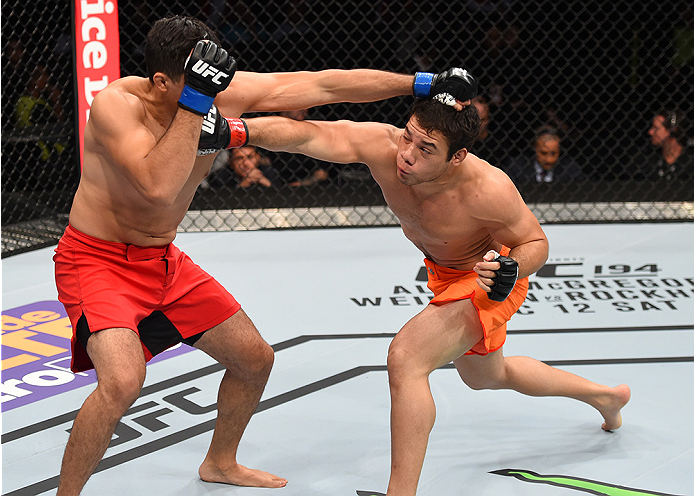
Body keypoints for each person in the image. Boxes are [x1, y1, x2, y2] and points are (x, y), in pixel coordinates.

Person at [51, 14, 474, 495]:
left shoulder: (210, 94)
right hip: (97, 259)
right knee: (123, 381)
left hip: (162, 260)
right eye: (196, 84)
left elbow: (320, 87)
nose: (211, 92)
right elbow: (157, 189)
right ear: (162, 81)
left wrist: (421, 84)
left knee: (254, 359)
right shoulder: (117, 106)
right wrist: (195, 103)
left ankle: (220, 462)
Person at [222, 79, 631, 496]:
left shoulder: (487, 188)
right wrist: (237, 131)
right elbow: (310, 135)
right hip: (444, 274)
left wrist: (511, 267)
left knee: (406, 357)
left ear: (458, 157)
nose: (407, 156)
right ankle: (605, 396)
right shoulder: (385, 147)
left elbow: (537, 243)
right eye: (408, 137)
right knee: (488, 376)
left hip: (488, 277)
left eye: (425, 150)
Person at [505, 126, 584, 184]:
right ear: (534, 149)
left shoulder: (570, 168)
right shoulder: (517, 168)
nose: (549, 159)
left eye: (553, 153)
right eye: (543, 153)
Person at [643, 109, 693, 181]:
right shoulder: (648, 159)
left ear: (671, 130)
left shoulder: (690, 162)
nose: (650, 132)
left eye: (655, 128)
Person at [208, 145, 279, 188]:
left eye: (250, 157)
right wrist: (241, 187)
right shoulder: (219, 178)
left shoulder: (270, 173)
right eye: (239, 158)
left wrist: (267, 184)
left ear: (258, 158)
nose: (245, 163)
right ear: (230, 162)